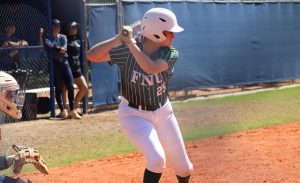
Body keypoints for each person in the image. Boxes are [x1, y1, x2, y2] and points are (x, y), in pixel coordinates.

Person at [87, 8, 193, 183]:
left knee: (184, 168)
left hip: (163, 112)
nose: (173, 36)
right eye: (169, 33)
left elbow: (150, 67)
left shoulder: (170, 53)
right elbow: (92, 56)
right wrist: (119, 38)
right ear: (156, 33)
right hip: (133, 114)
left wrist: (129, 43)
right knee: (156, 159)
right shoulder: (126, 48)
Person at [43, 19, 81, 119]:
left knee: (71, 86)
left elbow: (63, 50)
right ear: (52, 27)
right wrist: (57, 48)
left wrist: (56, 48)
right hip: (54, 64)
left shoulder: (63, 37)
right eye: (56, 26)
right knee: (58, 88)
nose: (58, 28)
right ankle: (62, 110)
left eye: (59, 26)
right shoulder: (47, 38)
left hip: (64, 63)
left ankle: (72, 110)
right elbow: (49, 45)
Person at [62, 21, 88, 115]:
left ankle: (74, 107)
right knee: (64, 88)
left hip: (77, 69)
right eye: (73, 28)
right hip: (67, 68)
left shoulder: (78, 40)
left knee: (84, 88)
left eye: (76, 28)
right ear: (68, 29)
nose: (75, 29)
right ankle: (64, 109)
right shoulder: (65, 40)